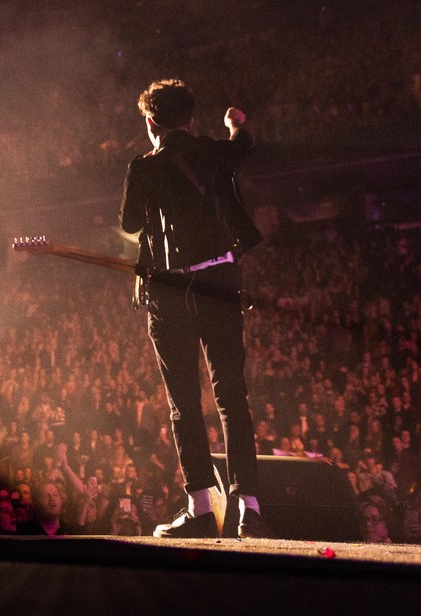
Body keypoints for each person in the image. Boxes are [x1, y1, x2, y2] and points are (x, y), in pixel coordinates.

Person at [119, 79, 271, 539]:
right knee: (231, 397)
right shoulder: (213, 151)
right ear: (189, 120)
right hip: (221, 282)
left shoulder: (144, 167)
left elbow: (128, 224)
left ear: (150, 123)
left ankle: (203, 508)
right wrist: (234, 125)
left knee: (184, 402)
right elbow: (241, 146)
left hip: (172, 290)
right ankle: (250, 509)